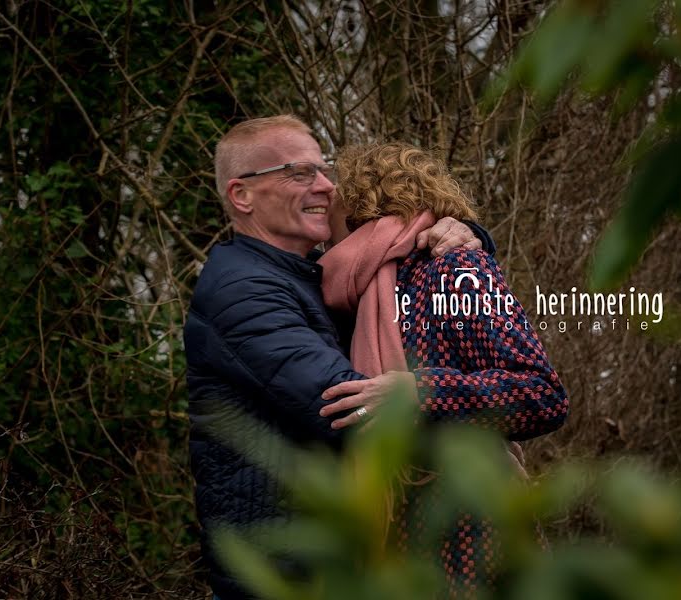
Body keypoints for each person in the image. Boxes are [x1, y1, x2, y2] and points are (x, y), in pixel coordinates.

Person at [184, 116, 495, 600]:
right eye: (299, 173)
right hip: (285, 566)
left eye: (324, 170)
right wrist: (479, 406)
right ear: (242, 195)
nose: (327, 186)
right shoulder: (242, 290)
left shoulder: (310, 279)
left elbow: (391, 266)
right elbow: (352, 405)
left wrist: (464, 236)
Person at [317, 141, 569, 597]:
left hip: (471, 524)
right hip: (393, 532)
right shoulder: (349, 292)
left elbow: (542, 393)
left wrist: (423, 392)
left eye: (334, 197)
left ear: (358, 202)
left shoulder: (456, 267)